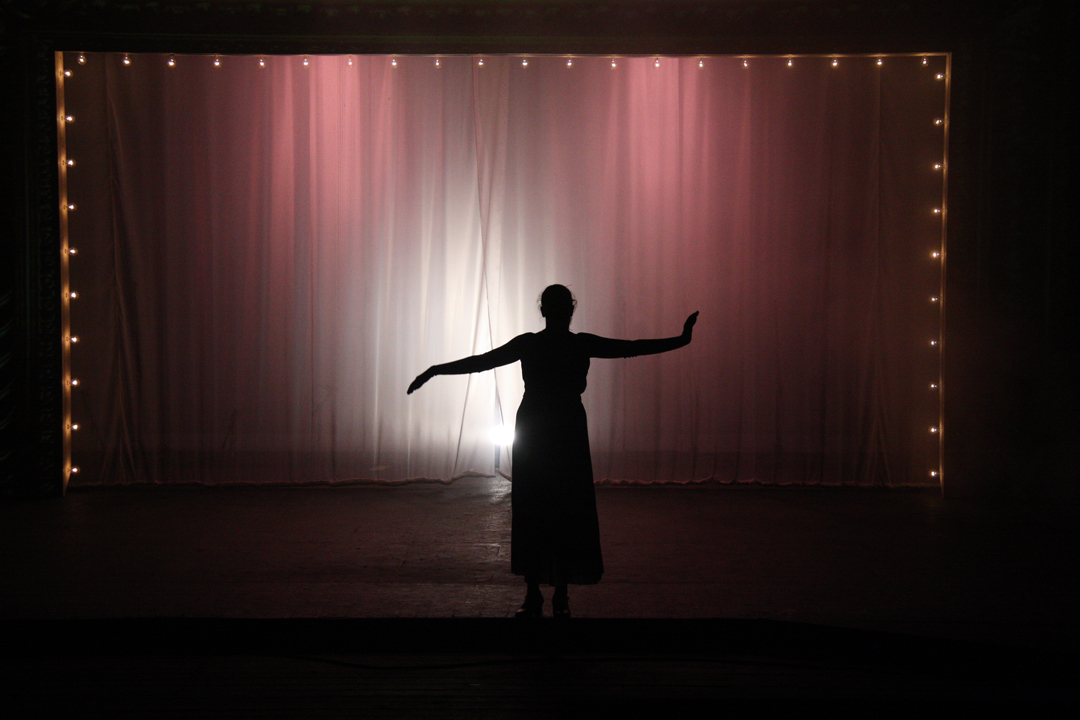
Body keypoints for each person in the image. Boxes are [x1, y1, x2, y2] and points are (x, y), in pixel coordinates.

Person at [408, 285, 698, 618]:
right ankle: (558, 595)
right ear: (568, 310)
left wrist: (435, 370)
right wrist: (681, 339)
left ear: (543, 310)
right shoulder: (576, 344)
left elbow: (481, 363)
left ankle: (537, 594)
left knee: (536, 507)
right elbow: (632, 348)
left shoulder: (532, 344)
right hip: (562, 427)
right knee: (564, 507)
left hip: (539, 428)